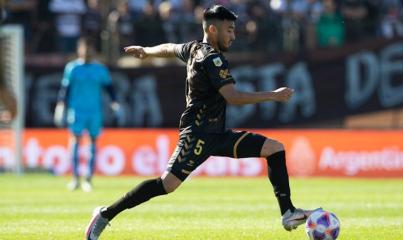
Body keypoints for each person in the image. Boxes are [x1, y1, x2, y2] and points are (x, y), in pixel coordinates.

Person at [85, 5, 318, 240]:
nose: (233, 36)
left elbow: (170, 48)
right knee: (166, 185)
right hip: (197, 134)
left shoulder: (194, 48)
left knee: (274, 149)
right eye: (229, 30)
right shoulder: (212, 59)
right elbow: (233, 97)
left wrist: (147, 51)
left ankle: (288, 212)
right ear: (213, 29)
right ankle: (105, 213)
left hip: (217, 134)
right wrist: (273, 95)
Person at [54, 37, 119, 192]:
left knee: (92, 144)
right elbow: (65, 89)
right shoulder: (72, 68)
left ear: (94, 51)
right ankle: (75, 178)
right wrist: (60, 105)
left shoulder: (100, 69)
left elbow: (109, 88)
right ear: (79, 50)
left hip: (94, 111)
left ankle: (88, 179)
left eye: (90, 48)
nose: (87, 51)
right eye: (84, 48)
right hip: (76, 111)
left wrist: (115, 103)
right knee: (75, 142)